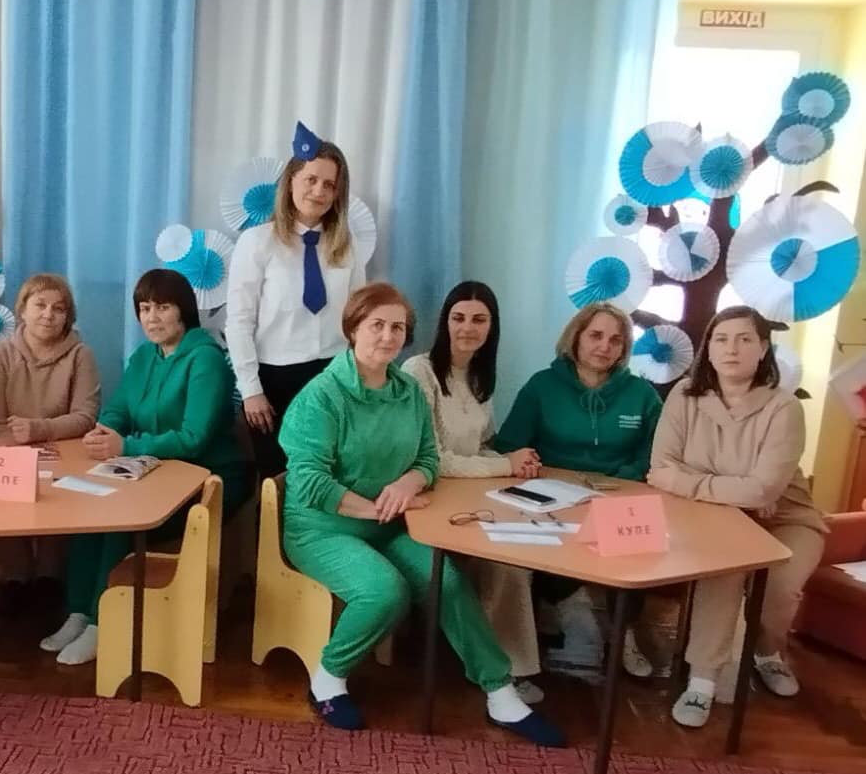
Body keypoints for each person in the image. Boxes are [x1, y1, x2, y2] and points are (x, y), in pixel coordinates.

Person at [280, 283, 563, 745]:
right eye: (377, 325)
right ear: (352, 329)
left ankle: (499, 691)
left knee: (447, 582)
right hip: (322, 528)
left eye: (397, 328)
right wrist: (376, 507)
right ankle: (328, 678)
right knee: (384, 592)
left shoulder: (407, 391)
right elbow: (309, 481)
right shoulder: (322, 396)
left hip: (392, 521)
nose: (388, 336)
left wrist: (407, 484)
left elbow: (429, 458)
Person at [40, 269, 251, 665]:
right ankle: (79, 612)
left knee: (121, 519)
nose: (152, 318)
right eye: (144, 308)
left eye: (163, 307)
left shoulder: (206, 359)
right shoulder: (143, 357)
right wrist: (104, 431)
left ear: (183, 310)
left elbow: (193, 438)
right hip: (151, 471)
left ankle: (104, 623)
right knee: (88, 510)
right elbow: (119, 408)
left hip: (209, 478)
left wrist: (126, 445)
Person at [647, 306, 826, 727]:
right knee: (722, 573)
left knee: (780, 589)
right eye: (722, 339)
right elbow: (660, 467)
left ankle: (767, 652)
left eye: (745, 339)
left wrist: (689, 481)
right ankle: (702, 681)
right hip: (712, 514)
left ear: (763, 349)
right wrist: (737, 490)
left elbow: (764, 490)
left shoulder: (784, 407)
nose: (732, 349)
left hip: (785, 518)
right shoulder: (684, 395)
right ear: (708, 349)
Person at [494, 302, 663, 677]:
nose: (605, 346)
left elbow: (656, 453)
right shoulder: (542, 386)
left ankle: (624, 632)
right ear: (576, 338)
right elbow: (510, 444)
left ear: (624, 349)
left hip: (618, 494)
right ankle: (561, 611)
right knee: (543, 546)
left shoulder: (642, 394)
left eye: (615, 340)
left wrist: (625, 478)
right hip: (553, 494)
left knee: (637, 549)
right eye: (596, 335)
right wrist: (532, 467)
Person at [401, 281, 544, 703]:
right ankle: (501, 671)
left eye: (479, 320)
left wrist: (516, 463)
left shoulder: (480, 378)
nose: (468, 328)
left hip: (469, 495)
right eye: (459, 317)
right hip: (427, 499)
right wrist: (504, 465)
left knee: (515, 555)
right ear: (444, 322)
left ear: (492, 327)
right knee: (502, 560)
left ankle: (509, 666)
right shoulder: (419, 372)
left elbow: (481, 446)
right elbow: (433, 460)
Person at [226, 121, 366, 478]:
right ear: (290, 181)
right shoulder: (257, 242)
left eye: (329, 185)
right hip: (275, 380)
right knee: (280, 480)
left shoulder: (347, 245)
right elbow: (239, 322)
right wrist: (251, 390)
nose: (319, 191)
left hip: (333, 376)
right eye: (311, 180)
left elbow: (359, 321)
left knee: (329, 476)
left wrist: (359, 382)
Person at [0, 273, 100, 613]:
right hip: (9, 452)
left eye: (59, 309)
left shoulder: (81, 355)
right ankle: (13, 577)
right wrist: (20, 452)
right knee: (5, 490)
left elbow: (86, 416)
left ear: (68, 316)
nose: (49, 314)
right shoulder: (0, 355)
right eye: (40, 305)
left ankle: (51, 577)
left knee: (59, 492)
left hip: (63, 452)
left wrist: (38, 431)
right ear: (22, 310)